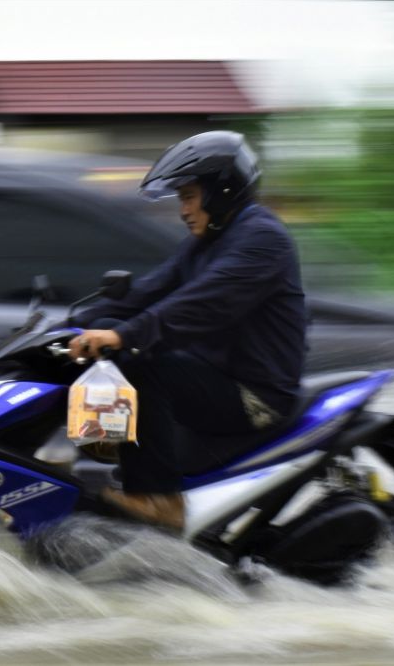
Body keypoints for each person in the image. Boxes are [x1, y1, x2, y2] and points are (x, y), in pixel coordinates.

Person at [68, 130, 307, 532]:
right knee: (109, 336)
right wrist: (68, 329)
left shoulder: (263, 239)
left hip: (256, 395)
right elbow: (145, 294)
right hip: (214, 377)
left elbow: (201, 303)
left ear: (222, 190)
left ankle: (160, 500)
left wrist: (125, 336)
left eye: (189, 196)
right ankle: (100, 462)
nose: (183, 210)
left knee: (143, 364)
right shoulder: (206, 242)